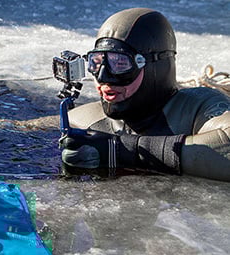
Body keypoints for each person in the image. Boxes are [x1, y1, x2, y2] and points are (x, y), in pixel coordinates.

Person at [59, 8, 230, 181]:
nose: (104, 78)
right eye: (97, 62)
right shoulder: (89, 119)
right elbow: (38, 129)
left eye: (120, 63)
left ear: (156, 68)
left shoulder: (197, 109)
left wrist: (122, 151)